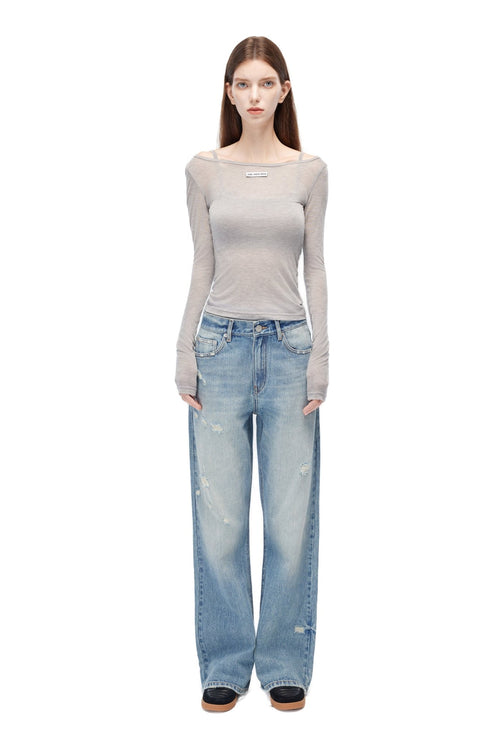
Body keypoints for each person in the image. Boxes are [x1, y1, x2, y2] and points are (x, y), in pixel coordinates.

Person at [175, 35, 329, 712]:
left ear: (284, 91)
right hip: (220, 350)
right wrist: (184, 349)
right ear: (230, 93)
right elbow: (202, 263)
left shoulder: (309, 171)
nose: (256, 94)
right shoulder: (204, 170)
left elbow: (315, 266)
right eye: (244, 83)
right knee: (220, 520)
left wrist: (321, 354)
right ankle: (225, 664)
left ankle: (285, 663)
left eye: (267, 82)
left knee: (290, 521)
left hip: (291, 351)